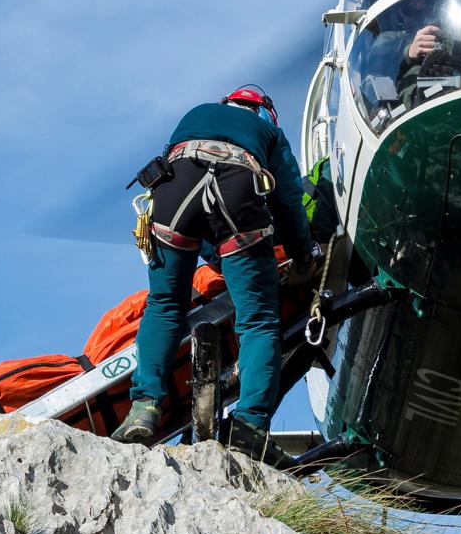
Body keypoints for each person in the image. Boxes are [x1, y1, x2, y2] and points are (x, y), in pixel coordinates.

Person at [112, 86, 320, 468]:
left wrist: (218, 259)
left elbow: (202, 221)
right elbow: (288, 200)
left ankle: (144, 409)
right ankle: (250, 428)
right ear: (263, 113)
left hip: (174, 189)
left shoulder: (197, 112)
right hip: (238, 187)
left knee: (164, 304)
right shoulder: (269, 133)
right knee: (257, 319)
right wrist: (303, 256)